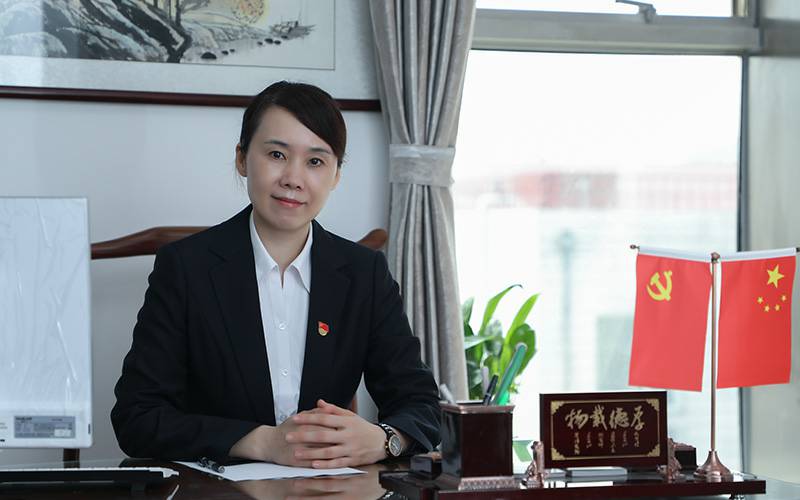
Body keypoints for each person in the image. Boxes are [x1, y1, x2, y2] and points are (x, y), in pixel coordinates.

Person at [111, 81, 440, 468]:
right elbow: (137, 417)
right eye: (277, 154)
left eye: (315, 162)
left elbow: (421, 404)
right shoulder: (185, 268)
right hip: (219, 488)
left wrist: (385, 439)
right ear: (242, 158)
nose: (293, 178)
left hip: (328, 489)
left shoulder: (364, 273)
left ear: (336, 175)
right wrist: (261, 442)